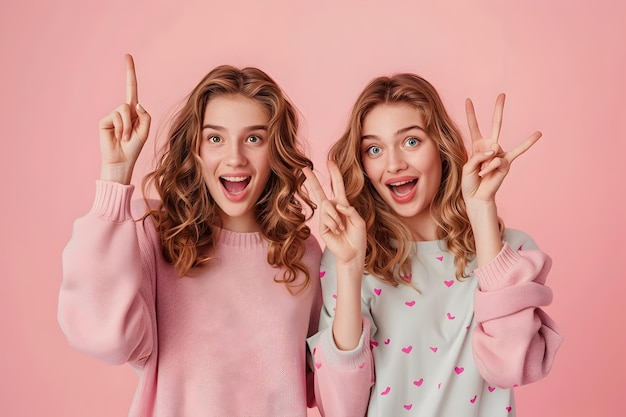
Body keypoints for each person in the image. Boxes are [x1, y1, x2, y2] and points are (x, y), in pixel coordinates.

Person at [58, 54, 322, 417]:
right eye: (215, 138)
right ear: (194, 148)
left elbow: (322, 386)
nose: (235, 159)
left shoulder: (302, 252)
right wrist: (114, 177)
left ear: (276, 151)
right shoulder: (155, 230)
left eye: (254, 139)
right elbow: (103, 337)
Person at [304, 73, 563, 416]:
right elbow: (340, 410)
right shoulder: (348, 257)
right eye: (375, 149)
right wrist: (350, 268)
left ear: (440, 148)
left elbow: (511, 368)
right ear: (363, 165)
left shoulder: (510, 251)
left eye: (411, 141)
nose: (394, 164)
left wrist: (482, 211)